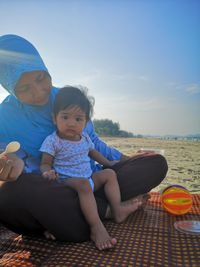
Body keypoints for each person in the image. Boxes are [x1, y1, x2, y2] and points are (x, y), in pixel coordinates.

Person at [0, 34, 168, 243]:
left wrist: (126, 159)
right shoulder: (4, 117)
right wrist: (8, 163)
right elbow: (5, 153)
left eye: (40, 78)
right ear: (9, 87)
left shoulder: (68, 99)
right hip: (52, 188)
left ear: (44, 67)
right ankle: (101, 212)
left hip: (91, 179)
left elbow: (94, 143)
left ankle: (78, 217)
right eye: (24, 88)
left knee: (155, 163)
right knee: (7, 196)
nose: (37, 90)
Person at [40, 86, 144, 250]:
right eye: (65, 117)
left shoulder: (85, 137)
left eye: (78, 119)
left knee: (109, 174)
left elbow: (94, 153)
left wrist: (110, 164)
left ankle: (117, 210)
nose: (71, 123)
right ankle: (96, 227)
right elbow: (45, 162)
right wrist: (47, 171)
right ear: (55, 118)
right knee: (83, 185)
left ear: (86, 121)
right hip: (67, 182)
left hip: (89, 179)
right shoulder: (53, 141)